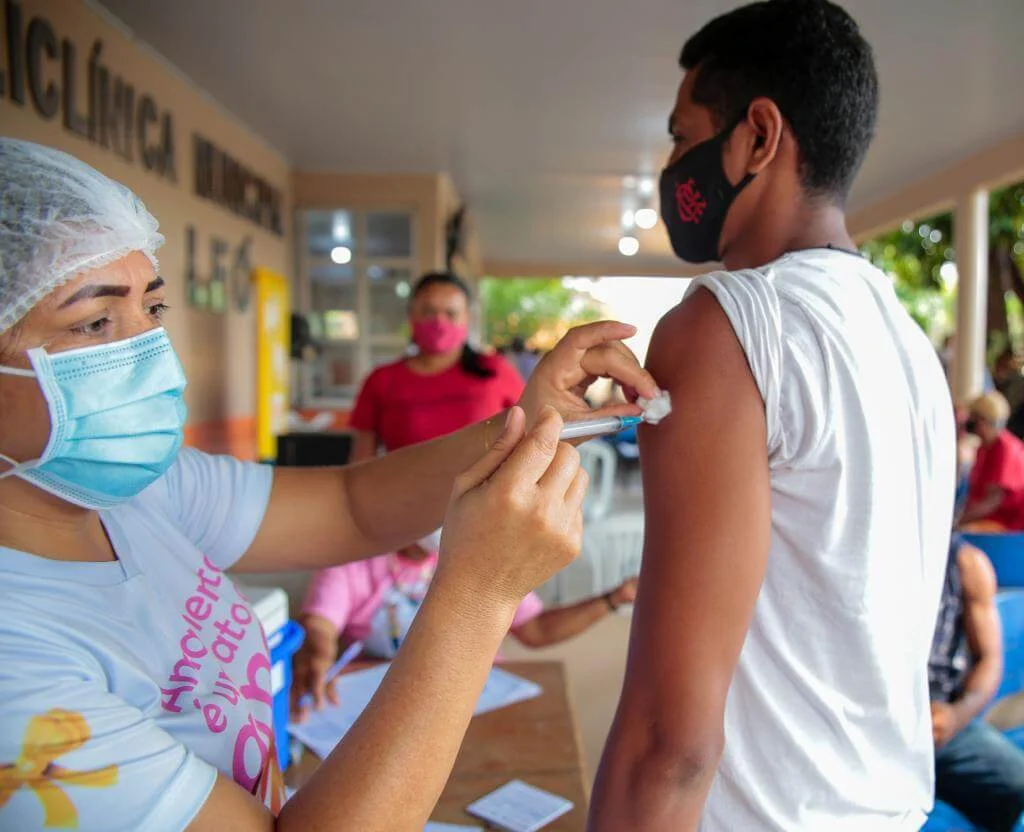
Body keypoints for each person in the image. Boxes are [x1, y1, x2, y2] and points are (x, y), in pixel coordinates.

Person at [0, 138, 659, 832]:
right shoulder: (17, 672)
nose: (149, 356)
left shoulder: (140, 493)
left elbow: (353, 505)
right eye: (94, 322)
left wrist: (539, 418)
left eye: (152, 312)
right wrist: (477, 597)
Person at [591, 2, 956, 830]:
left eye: (683, 137)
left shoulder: (725, 327)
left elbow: (668, 742)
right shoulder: (909, 345)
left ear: (758, 136)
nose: (672, 165)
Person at [293, 533, 638, 715]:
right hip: (378, 701)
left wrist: (613, 599)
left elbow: (536, 630)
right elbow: (321, 624)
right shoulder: (355, 562)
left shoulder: (483, 561)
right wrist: (319, 650)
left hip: (470, 700)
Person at [347, 271, 526, 462]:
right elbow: (361, 462)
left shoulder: (495, 370)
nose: (439, 322)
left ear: (467, 318)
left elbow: (529, 433)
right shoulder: (381, 380)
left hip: (486, 491)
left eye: (451, 313)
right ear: (411, 316)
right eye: (428, 312)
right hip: (404, 491)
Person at [929, 535, 1024, 830]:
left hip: (946, 725)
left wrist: (955, 716)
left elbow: (989, 660)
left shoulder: (965, 563)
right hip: (864, 727)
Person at [960, 391, 1024, 531]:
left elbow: (992, 502)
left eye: (973, 418)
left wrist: (959, 520)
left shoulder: (1005, 449)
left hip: (1008, 525)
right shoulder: (985, 448)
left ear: (983, 420)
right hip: (991, 519)